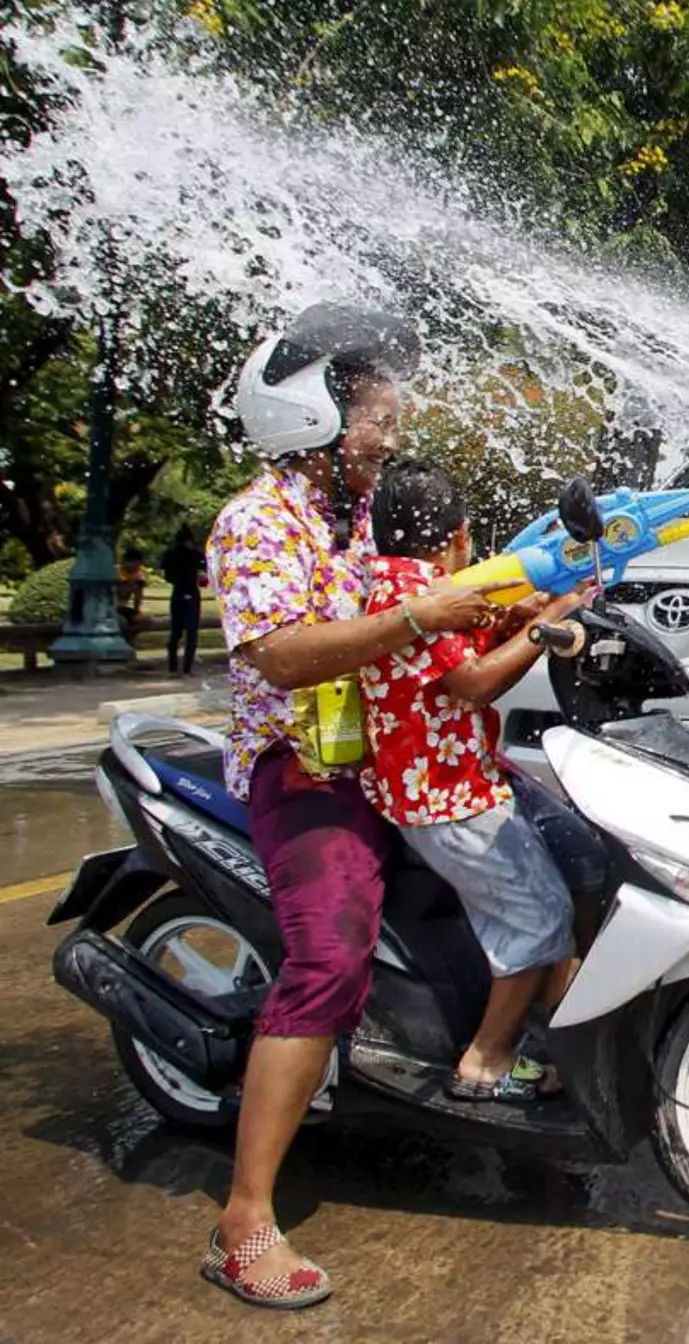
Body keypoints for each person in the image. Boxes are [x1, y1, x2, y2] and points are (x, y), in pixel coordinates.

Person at [200, 304, 501, 1309]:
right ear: (311, 421)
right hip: (302, 771)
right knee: (329, 957)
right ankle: (244, 1221)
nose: (390, 433)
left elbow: (438, 594)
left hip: (388, 758)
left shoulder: (364, 516)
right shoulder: (256, 522)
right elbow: (280, 655)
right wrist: (414, 614)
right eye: (374, 416)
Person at [359, 458, 598, 1103]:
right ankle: (486, 1062)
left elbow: (463, 641)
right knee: (542, 914)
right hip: (447, 800)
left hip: (453, 783)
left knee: (569, 868)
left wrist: (528, 611)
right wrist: (546, 631)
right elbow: (471, 683)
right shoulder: (418, 595)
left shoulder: (400, 582)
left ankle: (569, 1033)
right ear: (459, 534)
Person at [160, 523, 205, 675]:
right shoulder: (196, 555)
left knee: (176, 630)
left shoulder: (170, 554)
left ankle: (172, 664)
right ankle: (187, 667)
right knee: (191, 631)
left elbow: (166, 575)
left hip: (178, 591)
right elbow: (204, 575)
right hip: (191, 591)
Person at [115, 545, 148, 643]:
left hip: (124, 608)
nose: (137, 567)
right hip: (113, 607)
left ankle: (126, 638)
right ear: (127, 561)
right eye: (135, 564)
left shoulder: (138, 574)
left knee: (147, 621)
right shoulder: (116, 571)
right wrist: (130, 583)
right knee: (122, 622)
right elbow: (118, 592)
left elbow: (138, 595)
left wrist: (137, 609)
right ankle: (124, 640)